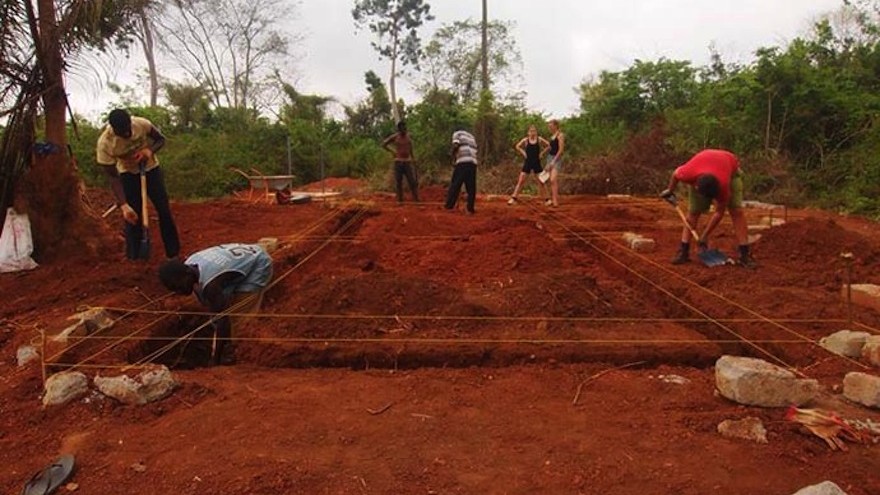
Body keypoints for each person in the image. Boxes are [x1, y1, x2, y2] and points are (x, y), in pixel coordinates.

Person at [158, 243, 274, 364]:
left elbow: (222, 320)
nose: (177, 291)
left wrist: (216, 359)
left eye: (176, 286)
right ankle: (227, 345)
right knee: (219, 305)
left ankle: (240, 356)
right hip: (246, 255)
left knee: (239, 319)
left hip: (259, 263)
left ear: (187, 273)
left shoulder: (211, 285)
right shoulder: (191, 262)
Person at [96, 108, 180, 260]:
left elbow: (160, 139)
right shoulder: (105, 144)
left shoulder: (141, 124)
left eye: (128, 128)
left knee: (164, 210)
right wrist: (124, 205)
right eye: (122, 132)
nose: (127, 134)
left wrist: (149, 151)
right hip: (127, 174)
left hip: (151, 169)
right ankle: (135, 258)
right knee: (133, 217)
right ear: (114, 130)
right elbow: (113, 177)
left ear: (131, 122)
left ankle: (173, 253)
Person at [660, 149, 756, 268]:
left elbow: (719, 213)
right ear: (696, 185)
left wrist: (704, 236)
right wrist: (670, 191)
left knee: (736, 211)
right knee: (693, 212)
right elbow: (675, 174)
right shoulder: (687, 173)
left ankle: (744, 254)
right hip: (703, 164)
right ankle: (683, 251)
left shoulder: (724, 187)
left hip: (731, 170)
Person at [508, 124, 550, 205]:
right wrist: (524, 153)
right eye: (531, 131)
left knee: (542, 181)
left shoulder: (539, 139)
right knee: (521, 181)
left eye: (534, 131)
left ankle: (547, 199)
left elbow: (548, 145)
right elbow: (517, 146)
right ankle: (513, 198)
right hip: (528, 162)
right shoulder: (526, 140)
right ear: (528, 132)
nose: (532, 132)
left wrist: (542, 153)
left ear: (536, 132)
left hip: (537, 162)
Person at [382, 121, 420, 203]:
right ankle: (400, 200)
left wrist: (413, 159)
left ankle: (416, 199)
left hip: (407, 161)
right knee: (399, 181)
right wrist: (392, 151)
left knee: (412, 181)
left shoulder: (408, 136)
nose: (404, 129)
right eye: (402, 128)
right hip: (398, 161)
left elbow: (410, 148)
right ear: (399, 129)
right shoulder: (395, 137)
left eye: (405, 127)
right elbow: (384, 144)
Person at [444, 128, 479, 214]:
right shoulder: (471, 137)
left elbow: (456, 145)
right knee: (471, 187)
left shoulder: (457, 133)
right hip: (473, 163)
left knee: (455, 184)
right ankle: (470, 208)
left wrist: (452, 155)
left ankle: (449, 205)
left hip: (463, 162)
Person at [545, 119, 565, 207]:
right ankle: (552, 200)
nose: (549, 127)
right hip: (550, 157)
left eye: (551, 126)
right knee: (549, 180)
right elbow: (550, 149)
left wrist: (553, 161)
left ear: (556, 126)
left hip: (557, 158)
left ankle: (555, 200)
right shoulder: (552, 136)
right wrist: (548, 162)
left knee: (553, 179)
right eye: (549, 126)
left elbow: (560, 150)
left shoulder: (560, 135)